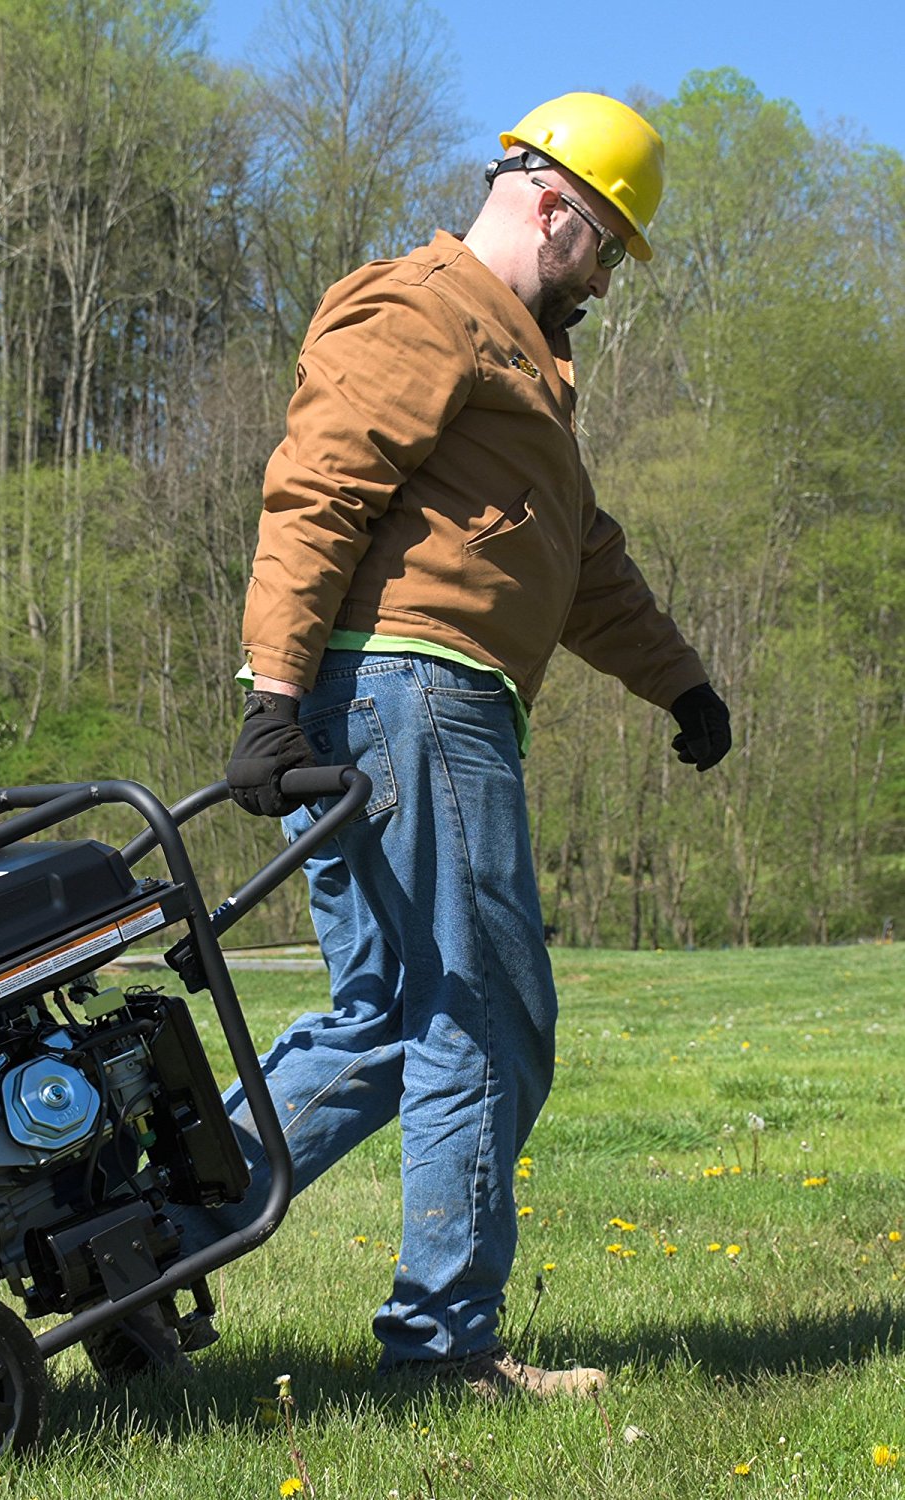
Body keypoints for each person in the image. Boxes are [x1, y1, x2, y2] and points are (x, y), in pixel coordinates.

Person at [205, 91, 732, 1399]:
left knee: (390, 1020)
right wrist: (273, 691)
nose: (607, 281)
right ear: (552, 202)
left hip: (415, 705)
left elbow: (581, 563)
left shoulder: (520, 363)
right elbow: (317, 487)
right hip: (420, 696)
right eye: (607, 246)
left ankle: (148, 1237)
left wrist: (682, 686)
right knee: (489, 1017)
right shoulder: (428, 310)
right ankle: (444, 1348)